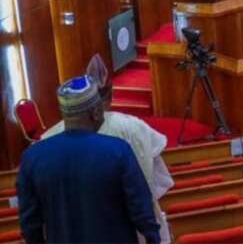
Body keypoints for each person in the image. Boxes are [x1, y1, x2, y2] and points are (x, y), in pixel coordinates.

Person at [42, 56, 172, 243]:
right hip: (133, 232)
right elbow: (155, 185)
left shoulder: (47, 140)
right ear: (111, 94)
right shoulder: (134, 127)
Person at [17, 76, 161, 244]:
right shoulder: (118, 150)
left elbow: (29, 223)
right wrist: (153, 238)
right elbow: (141, 210)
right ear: (96, 112)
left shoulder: (33, 157)